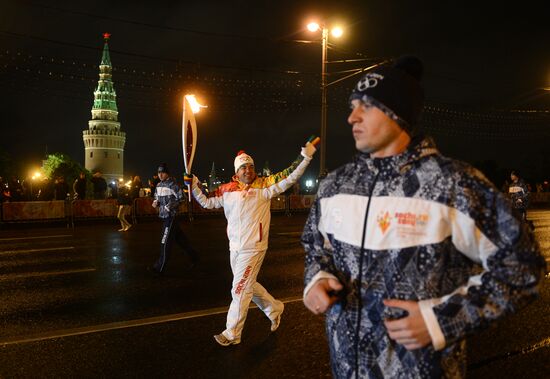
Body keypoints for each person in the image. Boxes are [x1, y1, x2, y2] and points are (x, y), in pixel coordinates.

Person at [301, 56, 545, 378]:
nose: (351, 117)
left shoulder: (453, 183)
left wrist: (441, 320)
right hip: (347, 369)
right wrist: (317, 279)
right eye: (351, 105)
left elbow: (522, 266)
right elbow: (316, 248)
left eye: (366, 106)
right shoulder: (335, 185)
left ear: (397, 114)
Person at [187, 140, 317, 346]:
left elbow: (289, 175)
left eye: (250, 166)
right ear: (236, 171)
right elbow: (205, 201)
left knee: (238, 289)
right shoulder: (226, 190)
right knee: (248, 286)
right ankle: (274, 309)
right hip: (235, 248)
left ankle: (232, 333)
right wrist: (193, 184)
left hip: (254, 248)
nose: (248, 170)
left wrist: (305, 157)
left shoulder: (265, 186)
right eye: (243, 167)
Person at [149, 163, 198, 274]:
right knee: (182, 241)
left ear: (167, 173)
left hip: (171, 217)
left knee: (164, 242)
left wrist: (168, 206)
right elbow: (157, 198)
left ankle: (158, 268)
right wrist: (155, 203)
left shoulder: (173, 184)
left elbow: (182, 198)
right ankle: (195, 258)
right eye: (159, 172)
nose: (160, 175)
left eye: (163, 172)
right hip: (164, 216)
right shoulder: (158, 186)